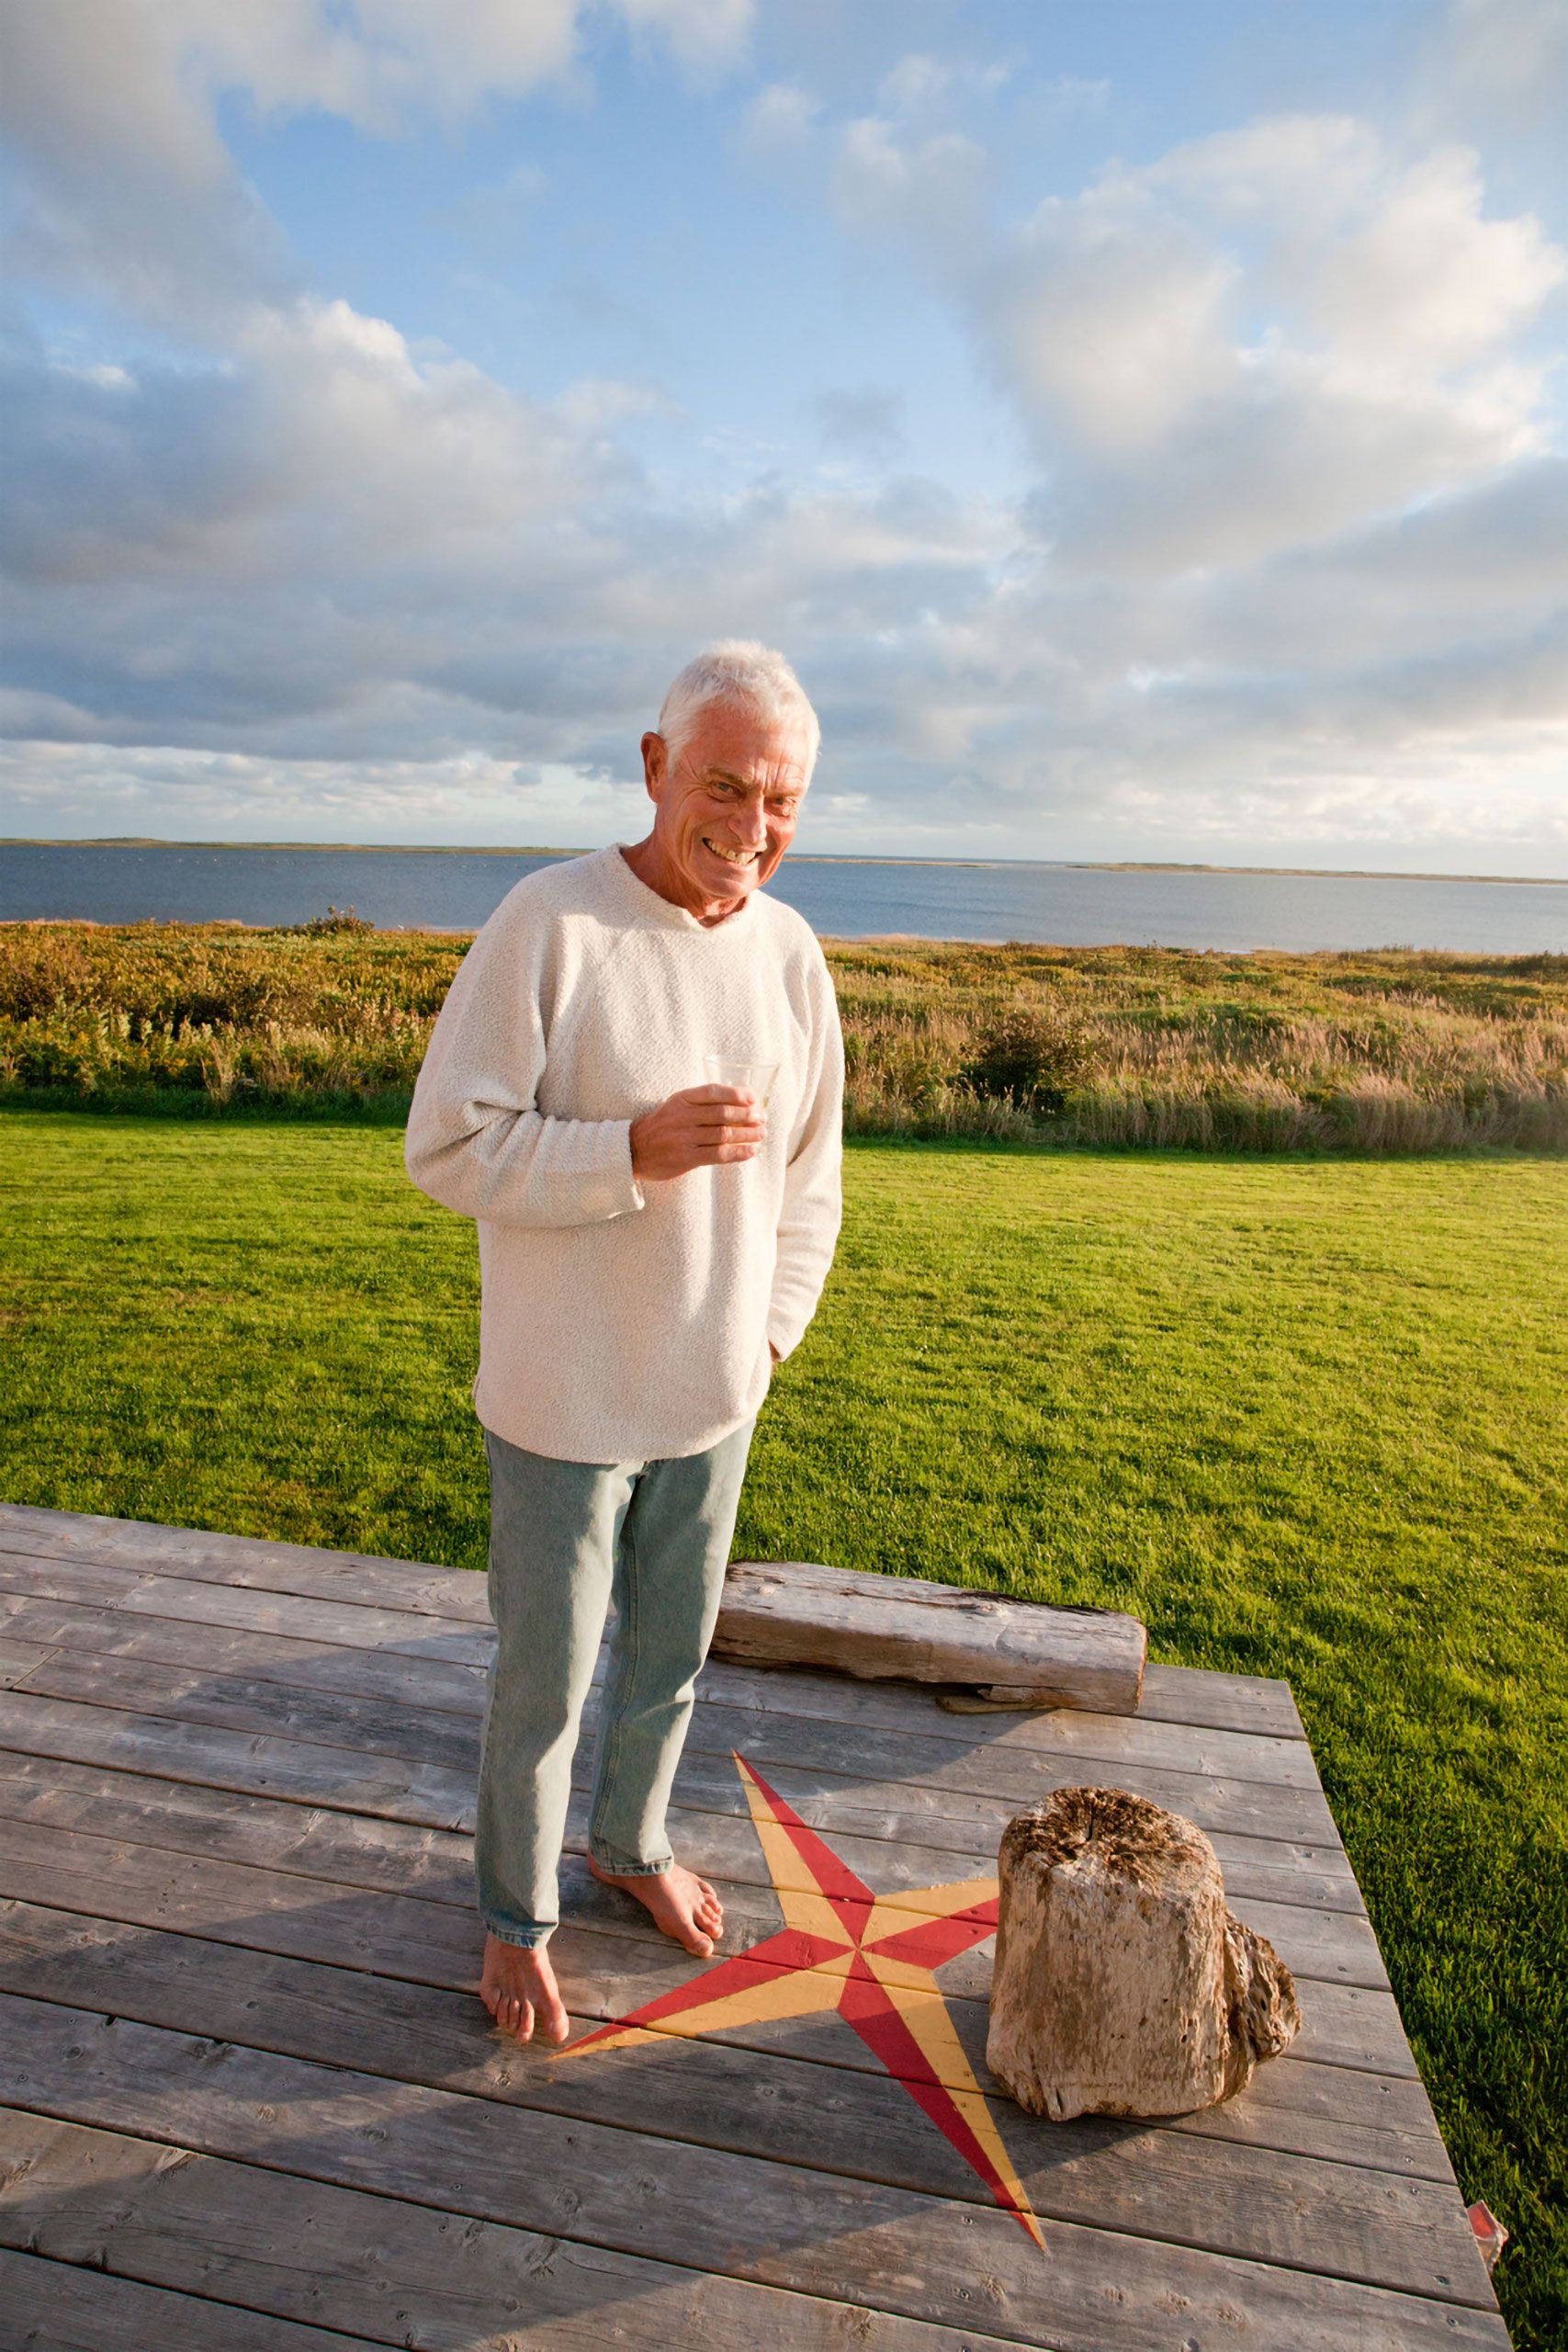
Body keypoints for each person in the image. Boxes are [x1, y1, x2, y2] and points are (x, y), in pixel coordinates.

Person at [404, 640, 844, 2046]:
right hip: (559, 1397)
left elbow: (814, 1179)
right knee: (542, 1679)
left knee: (667, 1660)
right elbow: (445, 1147)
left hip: (716, 1394)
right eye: (725, 785)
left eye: (782, 800)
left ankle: (633, 1845)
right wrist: (630, 1153)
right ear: (655, 769)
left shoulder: (789, 953)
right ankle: (517, 1916)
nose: (754, 825)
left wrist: (766, 1338)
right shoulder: (551, 922)